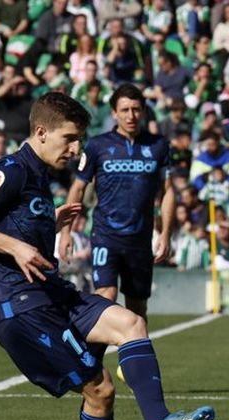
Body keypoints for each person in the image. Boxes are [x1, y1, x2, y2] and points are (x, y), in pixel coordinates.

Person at [0, 92, 214, 420]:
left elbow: (13, 222)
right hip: (23, 308)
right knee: (101, 389)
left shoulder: (38, 175)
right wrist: (17, 247)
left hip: (53, 293)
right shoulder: (12, 169)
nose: (76, 149)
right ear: (40, 132)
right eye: (69, 139)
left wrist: (46, 222)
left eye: (80, 139)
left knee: (131, 322)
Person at [59, 84, 175, 321]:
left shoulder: (159, 145)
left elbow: (168, 191)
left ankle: (130, 359)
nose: (130, 116)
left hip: (140, 239)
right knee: (105, 297)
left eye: (135, 109)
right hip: (106, 235)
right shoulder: (97, 146)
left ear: (143, 111)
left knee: (137, 309)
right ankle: (93, 357)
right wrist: (66, 232)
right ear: (114, 113)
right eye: (124, 110)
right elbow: (78, 188)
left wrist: (165, 234)